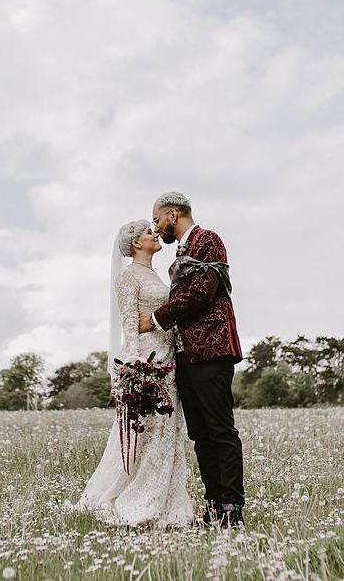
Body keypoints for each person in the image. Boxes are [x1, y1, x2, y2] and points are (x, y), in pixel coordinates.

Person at [75, 219, 193, 527]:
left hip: (169, 358)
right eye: (148, 232)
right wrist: (137, 365)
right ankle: (133, 497)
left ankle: (168, 500)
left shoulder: (155, 273)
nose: (155, 234)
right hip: (148, 361)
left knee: (167, 431)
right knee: (148, 432)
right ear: (136, 243)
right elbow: (129, 322)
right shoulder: (127, 275)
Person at [138, 191, 245, 527]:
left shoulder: (208, 239)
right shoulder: (180, 252)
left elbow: (201, 291)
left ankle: (232, 510)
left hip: (212, 350)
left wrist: (155, 318)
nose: (156, 229)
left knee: (220, 430)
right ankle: (212, 506)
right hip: (186, 355)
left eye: (157, 220)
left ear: (173, 214)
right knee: (199, 434)